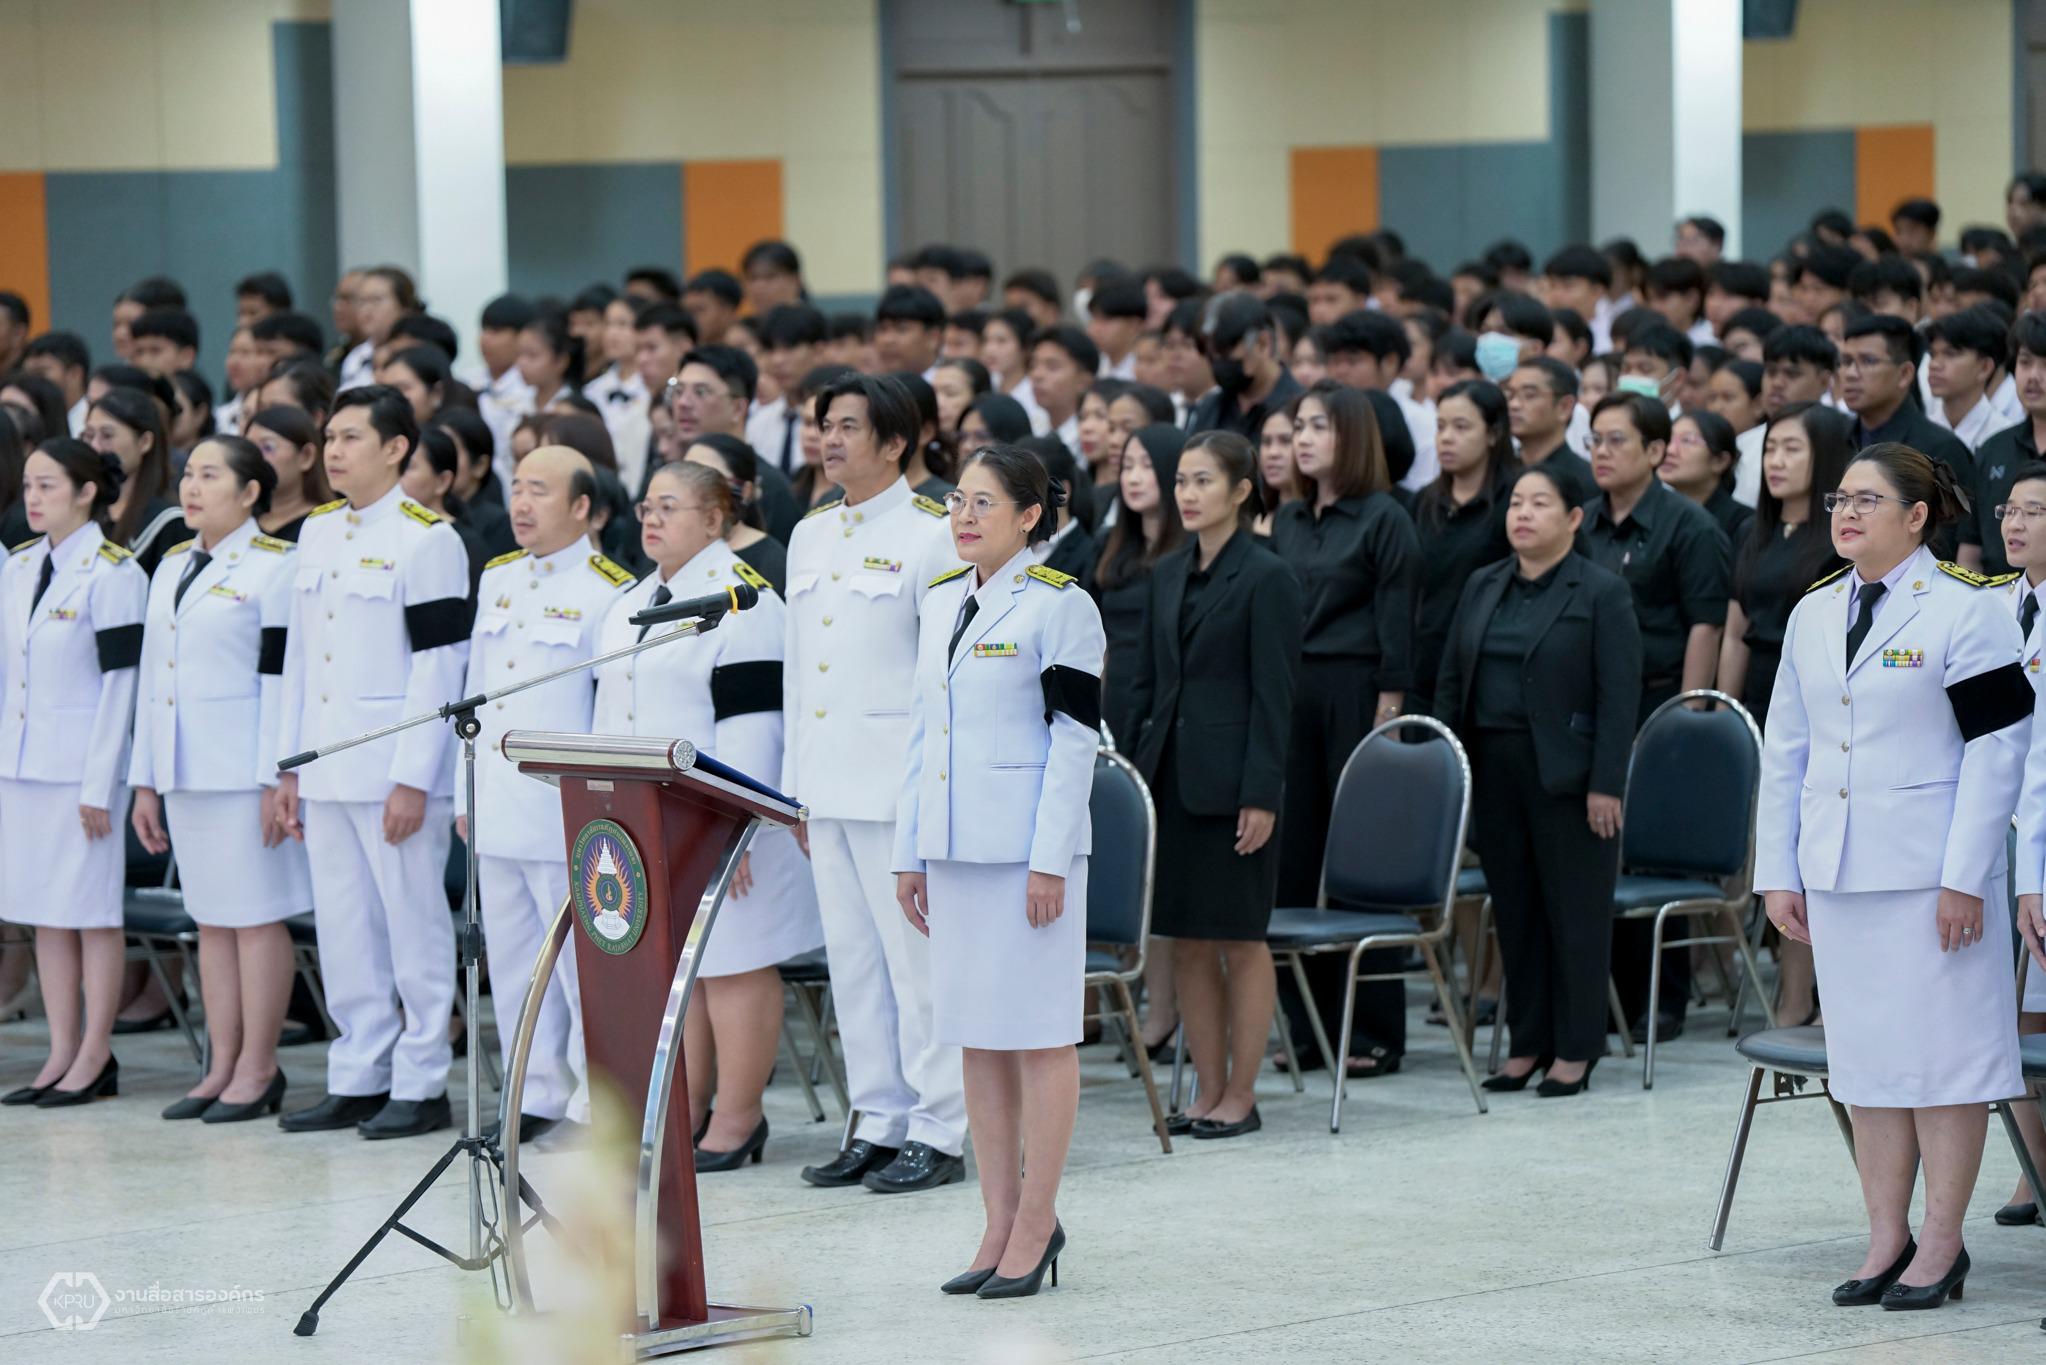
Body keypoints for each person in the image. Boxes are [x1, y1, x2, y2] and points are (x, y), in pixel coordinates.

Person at [1758, 442, 2030, 1310]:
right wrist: (1778, 871)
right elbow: (1785, 753)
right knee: (1867, 1062)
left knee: (1944, 1063)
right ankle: (1886, 1235)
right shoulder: (1812, 612)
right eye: (1841, 497)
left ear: (1917, 518)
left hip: (1931, 874)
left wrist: (1964, 874)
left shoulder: (1966, 609)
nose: (1845, 512)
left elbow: (1999, 752)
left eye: (1868, 500)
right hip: (1839, 869)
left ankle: (1943, 1244)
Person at [894, 446, 1104, 1296]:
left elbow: (1076, 740)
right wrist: (909, 851)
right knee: (977, 1036)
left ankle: (1037, 1218)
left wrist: (1050, 860)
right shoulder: (944, 599)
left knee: (1042, 1033)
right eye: (956, 500)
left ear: (1029, 516)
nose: (964, 516)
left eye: (984, 503)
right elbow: (921, 734)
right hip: (953, 851)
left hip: (1026, 856)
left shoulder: (1062, 604)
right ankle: (996, 1214)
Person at [595, 459, 822, 1166]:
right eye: (646, 507)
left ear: (715, 519)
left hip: (725, 823)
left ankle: (740, 1114)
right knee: (679, 971)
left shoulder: (743, 602)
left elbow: (754, 731)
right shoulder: (634, 597)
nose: (652, 519)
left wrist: (737, 825)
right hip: (646, 817)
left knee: (732, 966)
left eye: (670, 506)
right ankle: (686, 1109)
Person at [783, 373, 967, 1192]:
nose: (829, 439)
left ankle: (941, 1126)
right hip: (826, 787)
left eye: (847, 426)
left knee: (916, 968)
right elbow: (799, 673)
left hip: (896, 788)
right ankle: (879, 1118)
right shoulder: (808, 534)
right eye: (825, 424)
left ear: (895, 442)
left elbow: (940, 681)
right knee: (854, 967)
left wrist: (926, 796)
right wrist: (795, 787)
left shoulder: (932, 533)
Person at [273, 384, 471, 1140]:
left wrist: (414, 775)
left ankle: (422, 1080)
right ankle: (358, 1072)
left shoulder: (429, 539)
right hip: (324, 767)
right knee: (345, 927)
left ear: (396, 449)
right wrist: (288, 768)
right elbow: (299, 662)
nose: (334, 452)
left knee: (412, 923)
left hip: (391, 769)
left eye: (352, 438)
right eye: (329, 439)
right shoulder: (317, 532)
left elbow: (439, 667)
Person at [1434, 464, 1641, 1096]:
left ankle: (1576, 1048)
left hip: (1571, 778)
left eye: (1540, 503)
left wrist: (1607, 781)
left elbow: (1619, 693)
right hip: (1493, 769)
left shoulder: (1600, 591)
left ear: (1575, 519)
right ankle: (1526, 1043)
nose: (1522, 513)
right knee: (1516, 913)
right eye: (1516, 501)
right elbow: (1450, 677)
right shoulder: (1483, 584)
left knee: (1572, 913)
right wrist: (1444, 768)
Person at [129, 435, 312, 1122]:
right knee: (212, 920)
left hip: (243, 771)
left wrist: (276, 775)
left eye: (211, 475)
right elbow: (154, 680)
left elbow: (280, 679)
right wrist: (145, 780)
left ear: (251, 491)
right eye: (188, 474)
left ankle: (260, 1066)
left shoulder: (276, 565)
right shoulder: (172, 562)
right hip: (184, 770)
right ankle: (222, 1061)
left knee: (256, 919)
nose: (192, 486)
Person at [1128, 429, 1303, 1138]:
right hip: (1171, 779)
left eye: (1204, 481)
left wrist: (1262, 792)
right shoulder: (1167, 572)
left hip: (1234, 786)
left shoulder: (1268, 576)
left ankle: (1243, 1091)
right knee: (1188, 939)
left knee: (1240, 937)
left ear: (1240, 490)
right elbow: (1147, 682)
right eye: (1182, 482)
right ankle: (1205, 1087)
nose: (1189, 494)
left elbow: (1275, 695)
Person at [459, 445, 630, 1144]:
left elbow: (609, 713)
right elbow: (473, 698)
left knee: (581, 970)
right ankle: (535, 1093)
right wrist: (461, 797)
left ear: (584, 508)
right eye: (517, 488)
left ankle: (596, 1106)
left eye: (541, 491)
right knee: (515, 963)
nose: (521, 504)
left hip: (564, 812)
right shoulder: (498, 577)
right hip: (497, 806)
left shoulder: (609, 589)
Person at [1269, 381, 1418, 1078]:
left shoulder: (1386, 517)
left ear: (1351, 436)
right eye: (1298, 426)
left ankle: (1378, 1029)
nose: (1302, 438)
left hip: (1358, 690)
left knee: (1362, 864)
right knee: (1293, 860)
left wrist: (1387, 718)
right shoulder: (1291, 517)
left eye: (1318, 426)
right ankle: (1308, 1027)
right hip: (1295, 691)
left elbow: (1397, 626)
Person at [1581, 390, 1731, 1041]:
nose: (1602, 452)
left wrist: (1683, 716)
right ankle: (1602, 993)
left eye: (1617, 440)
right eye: (1595, 440)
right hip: (1589, 706)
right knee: (1596, 852)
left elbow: (1706, 623)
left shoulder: (1689, 526)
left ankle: (1660, 999)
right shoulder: (1580, 522)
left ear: (1654, 451)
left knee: (1650, 856)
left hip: (1658, 696)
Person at [0, 439, 145, 1108]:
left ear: (87, 492)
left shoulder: (114, 572)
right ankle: (60, 1049)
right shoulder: (19, 565)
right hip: (23, 766)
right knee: (45, 913)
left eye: (48, 485)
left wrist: (100, 783)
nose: (32, 497)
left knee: (91, 912)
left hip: (82, 771)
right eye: (28, 485)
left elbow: (123, 685)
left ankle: (96, 1052)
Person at [1411, 379, 1513, 717]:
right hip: (1424, 663)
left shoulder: (1514, 501)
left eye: (1461, 426)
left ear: (1493, 434)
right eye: (1440, 427)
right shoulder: (1424, 501)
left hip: (1485, 667)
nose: (1447, 437)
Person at [1963, 313, 2046, 575]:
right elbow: (1970, 550)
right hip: (1996, 601)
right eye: (2025, 363)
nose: (2034, 376)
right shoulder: (1992, 448)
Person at [81, 386, 187, 577]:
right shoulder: (84, 512)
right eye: (89, 436)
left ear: (144, 441)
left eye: (107, 435)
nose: (95, 447)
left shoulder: (168, 523)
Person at [1186, 294, 1301, 442]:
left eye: (1224, 354)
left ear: (1262, 344)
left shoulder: (1299, 408)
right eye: (1210, 357)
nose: (1218, 364)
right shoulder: (1210, 407)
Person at [683, 433, 786, 591]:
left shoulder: (771, 562)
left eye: (707, 478)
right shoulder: (674, 550)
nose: (691, 488)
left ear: (745, 491)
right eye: (683, 476)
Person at [1505, 358, 1593, 503]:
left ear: (1564, 407)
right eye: (1510, 395)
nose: (1514, 405)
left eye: (1529, 395)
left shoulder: (1584, 481)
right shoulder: (1499, 472)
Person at [1662, 410, 1754, 548]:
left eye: (1686, 440)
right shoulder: (1657, 515)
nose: (1670, 450)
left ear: (1720, 461)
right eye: (1668, 440)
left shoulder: (1745, 524)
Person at [245, 405, 332, 541]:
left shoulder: (324, 524)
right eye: (249, 448)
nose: (255, 457)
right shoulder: (240, 517)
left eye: (268, 447)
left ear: (306, 456)